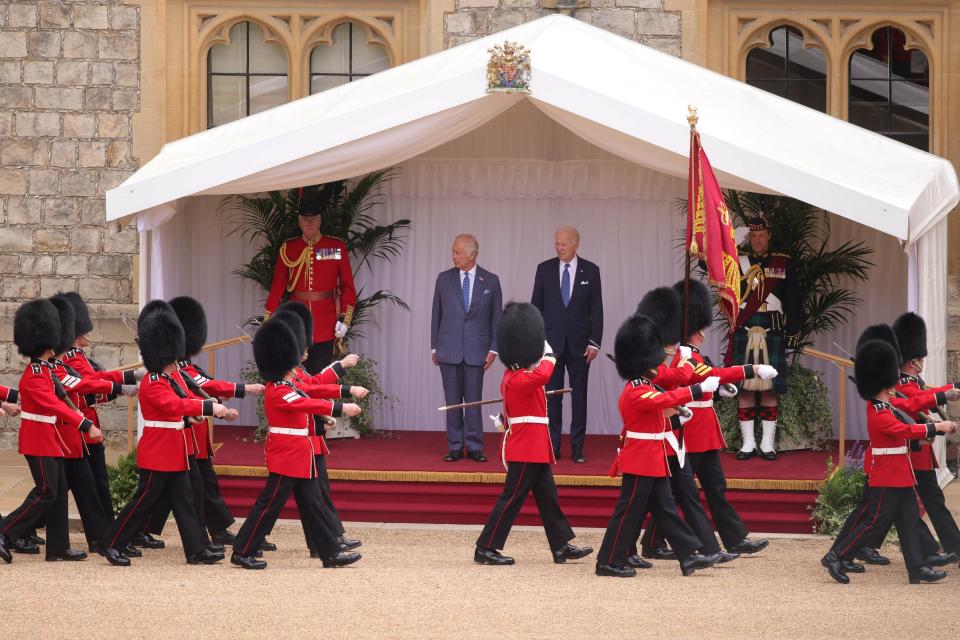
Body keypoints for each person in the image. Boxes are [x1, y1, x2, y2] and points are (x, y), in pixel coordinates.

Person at [637, 283, 773, 562]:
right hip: (692, 430)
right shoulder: (685, 356)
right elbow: (710, 373)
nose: (702, 334)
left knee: (714, 487)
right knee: (679, 492)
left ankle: (735, 538)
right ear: (692, 331)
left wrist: (720, 390)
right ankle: (654, 541)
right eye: (699, 329)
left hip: (704, 428)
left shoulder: (690, 355)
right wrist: (752, 369)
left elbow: (707, 380)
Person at [98, 301, 230, 566]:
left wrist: (201, 410)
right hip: (159, 452)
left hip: (176, 450)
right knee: (143, 501)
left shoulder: (171, 377)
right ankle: (111, 544)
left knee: (187, 501)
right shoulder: (153, 382)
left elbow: (185, 401)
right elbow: (175, 405)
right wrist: (210, 407)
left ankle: (197, 549)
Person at [230, 316, 362, 570]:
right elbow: (306, 403)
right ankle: (242, 550)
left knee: (314, 505)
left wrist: (340, 395)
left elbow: (312, 392)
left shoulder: (288, 383)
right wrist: (341, 407)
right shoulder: (278, 389)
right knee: (268, 506)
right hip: (286, 456)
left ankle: (330, 553)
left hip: (300, 456)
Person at [821, 337, 957, 584]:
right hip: (887, 475)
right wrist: (937, 426)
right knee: (874, 520)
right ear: (884, 384)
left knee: (907, 521)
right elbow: (905, 431)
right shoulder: (879, 412)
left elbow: (910, 407)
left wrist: (935, 411)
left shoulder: (886, 405)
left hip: (900, 474)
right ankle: (836, 555)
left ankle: (917, 568)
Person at [596, 313, 721, 578]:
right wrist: (697, 391)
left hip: (654, 460)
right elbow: (662, 400)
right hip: (641, 460)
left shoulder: (645, 386)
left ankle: (688, 556)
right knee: (628, 512)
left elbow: (663, 406)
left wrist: (678, 412)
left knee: (666, 509)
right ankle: (607, 561)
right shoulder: (636, 390)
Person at [474, 302, 593, 566]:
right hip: (526, 446)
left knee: (548, 498)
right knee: (512, 498)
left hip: (535, 446)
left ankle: (561, 546)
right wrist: (549, 352)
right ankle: (486, 547)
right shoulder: (517, 378)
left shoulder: (520, 375)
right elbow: (545, 374)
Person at [140, 297, 263, 548]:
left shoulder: (181, 365)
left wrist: (223, 396)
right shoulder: (175, 369)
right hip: (183, 436)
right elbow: (205, 386)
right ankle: (149, 531)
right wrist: (243, 389)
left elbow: (205, 385)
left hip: (192, 436)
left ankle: (211, 532)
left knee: (196, 486)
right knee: (179, 490)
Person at [0, 299, 95, 564]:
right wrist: (85, 424)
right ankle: (5, 531)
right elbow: (54, 404)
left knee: (57, 489)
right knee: (47, 491)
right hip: (37, 439)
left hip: (49, 438)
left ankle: (58, 547)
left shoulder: (46, 370)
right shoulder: (35, 373)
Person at [271, 302, 365, 554]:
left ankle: (326, 540)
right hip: (298, 443)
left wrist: (340, 374)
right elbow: (312, 391)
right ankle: (252, 541)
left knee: (314, 494)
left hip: (309, 438)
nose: (307, 350)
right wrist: (343, 394)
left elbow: (314, 384)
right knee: (281, 500)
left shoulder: (297, 371)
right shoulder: (285, 376)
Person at [61, 291, 141, 519]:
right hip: (81, 426)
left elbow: (100, 380)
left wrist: (126, 380)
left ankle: (105, 529)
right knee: (87, 483)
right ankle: (104, 530)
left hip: (86, 423)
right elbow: (93, 383)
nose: (88, 332)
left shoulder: (77, 355)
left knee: (77, 483)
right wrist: (127, 381)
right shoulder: (73, 357)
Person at [727, 215, 799, 460]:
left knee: (769, 389)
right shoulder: (738, 261)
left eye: (761, 235)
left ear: (769, 235)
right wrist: (732, 240)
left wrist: (792, 335)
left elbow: (793, 301)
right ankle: (748, 444)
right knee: (746, 387)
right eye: (753, 236)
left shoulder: (783, 263)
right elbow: (710, 266)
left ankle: (767, 444)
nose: (757, 241)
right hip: (745, 329)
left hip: (773, 329)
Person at [264, 186, 357, 373]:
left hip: (326, 323)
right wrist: (268, 320)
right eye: (305, 219)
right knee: (297, 377)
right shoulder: (288, 248)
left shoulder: (335, 246)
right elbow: (277, 288)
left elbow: (348, 287)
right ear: (299, 221)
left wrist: (345, 321)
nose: (310, 223)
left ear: (320, 220)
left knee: (322, 375)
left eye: (313, 218)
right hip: (296, 322)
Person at [531, 226, 602, 463]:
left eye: (563, 243)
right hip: (551, 346)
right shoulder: (545, 269)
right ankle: (553, 445)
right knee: (552, 397)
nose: (559, 247)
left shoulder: (591, 271)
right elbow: (535, 309)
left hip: (580, 346)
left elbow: (596, 310)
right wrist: (539, 343)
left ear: (576, 244)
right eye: (557, 243)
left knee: (579, 396)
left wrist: (595, 342)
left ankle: (577, 446)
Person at [431, 234, 502, 462]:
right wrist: (434, 347)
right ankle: (454, 445)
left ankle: (474, 446)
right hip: (448, 349)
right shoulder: (443, 279)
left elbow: (496, 319)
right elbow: (436, 315)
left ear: (471, 254)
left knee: (473, 401)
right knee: (452, 401)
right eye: (453, 251)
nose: (453, 256)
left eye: (457, 252)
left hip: (477, 351)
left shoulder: (491, 280)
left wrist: (494, 348)